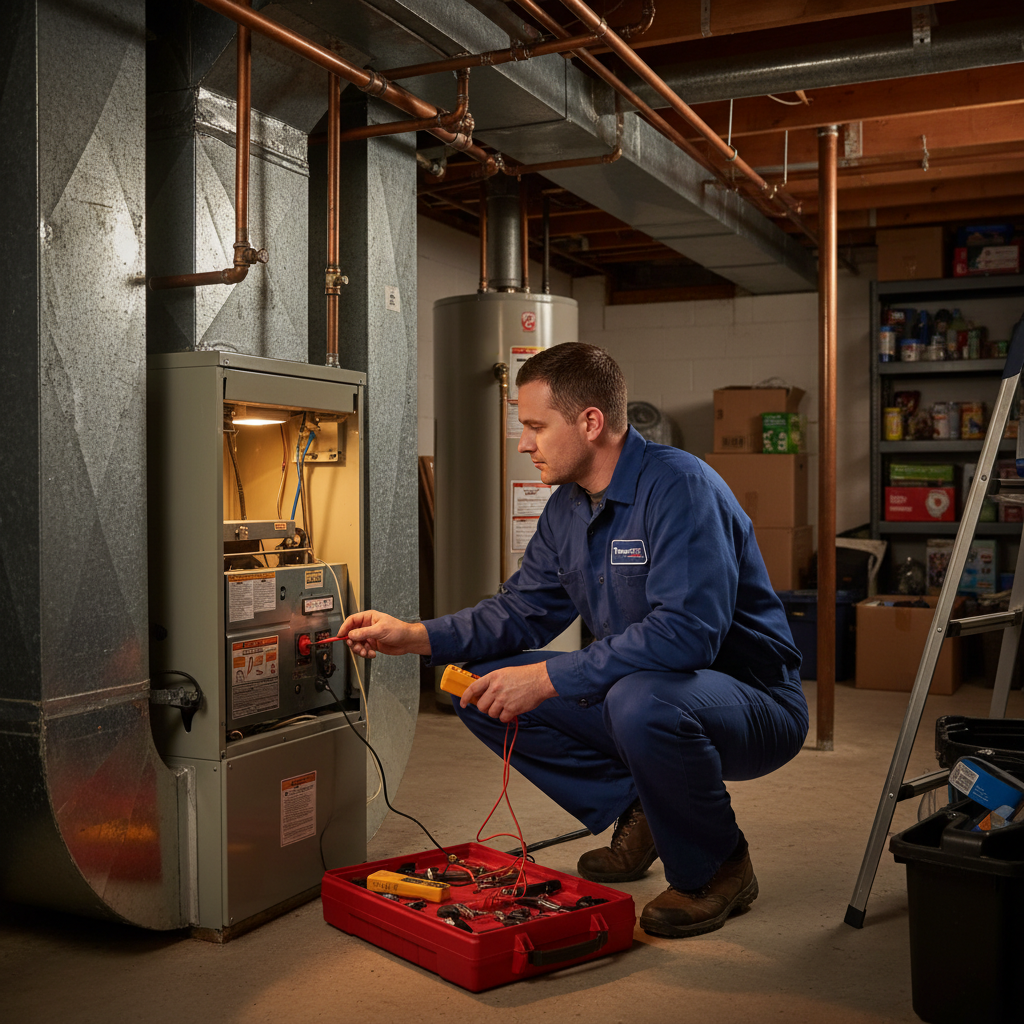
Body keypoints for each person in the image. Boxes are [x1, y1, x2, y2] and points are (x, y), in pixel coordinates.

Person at [337, 342, 808, 938]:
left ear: (590, 422)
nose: (524, 443)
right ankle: (643, 808)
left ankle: (718, 868)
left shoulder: (680, 488)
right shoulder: (566, 508)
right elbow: (521, 613)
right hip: (646, 691)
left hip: (752, 703)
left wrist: (548, 677)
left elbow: (688, 636)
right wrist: (415, 636)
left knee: (639, 700)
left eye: (535, 426)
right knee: (482, 687)